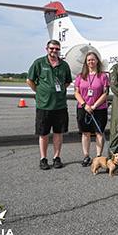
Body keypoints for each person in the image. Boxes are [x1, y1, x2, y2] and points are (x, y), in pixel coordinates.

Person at [27, 39, 72, 170]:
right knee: (44, 133)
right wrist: (40, 91)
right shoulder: (39, 63)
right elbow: (30, 80)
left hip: (60, 106)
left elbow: (67, 82)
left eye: (57, 49)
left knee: (58, 133)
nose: (54, 51)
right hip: (44, 106)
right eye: (52, 48)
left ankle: (57, 158)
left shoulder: (64, 65)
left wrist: (58, 91)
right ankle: (43, 158)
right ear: (46, 49)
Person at [73, 52, 109, 167]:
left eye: (93, 60)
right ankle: (86, 156)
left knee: (99, 133)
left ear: (97, 61)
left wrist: (94, 106)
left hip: (99, 108)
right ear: (86, 62)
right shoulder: (80, 76)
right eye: (88, 60)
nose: (91, 62)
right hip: (83, 108)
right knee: (86, 133)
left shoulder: (103, 76)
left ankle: (98, 156)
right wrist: (85, 105)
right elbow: (76, 92)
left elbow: (105, 93)